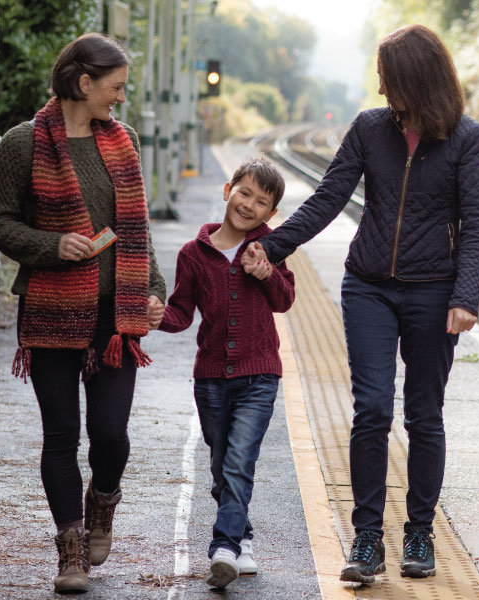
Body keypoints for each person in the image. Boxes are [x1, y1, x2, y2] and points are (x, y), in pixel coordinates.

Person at [242, 24, 479, 584]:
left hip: (434, 291)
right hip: (369, 286)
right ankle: (367, 538)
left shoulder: (466, 139)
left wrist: (465, 296)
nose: (382, 90)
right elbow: (328, 198)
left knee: (424, 415)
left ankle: (420, 533)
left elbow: (476, 225)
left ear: (417, 80)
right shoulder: (369, 129)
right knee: (372, 409)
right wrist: (272, 247)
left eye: (389, 80)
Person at [0, 32, 166, 594]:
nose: (121, 98)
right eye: (116, 88)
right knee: (60, 435)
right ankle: (70, 550)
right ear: (84, 83)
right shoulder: (22, 143)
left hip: (116, 316)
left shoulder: (124, 140)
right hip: (52, 311)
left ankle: (102, 502)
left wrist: (153, 288)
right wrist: (50, 245)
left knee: (110, 435)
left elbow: (137, 229)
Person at [156, 158, 294, 589]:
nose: (249, 205)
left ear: (271, 214)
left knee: (239, 461)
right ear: (227, 190)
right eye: (244, 192)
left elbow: (285, 299)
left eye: (262, 202)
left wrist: (266, 272)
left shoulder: (270, 246)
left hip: (259, 375)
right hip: (211, 377)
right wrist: (156, 315)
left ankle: (225, 547)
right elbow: (181, 313)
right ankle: (243, 535)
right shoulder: (193, 255)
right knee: (220, 464)